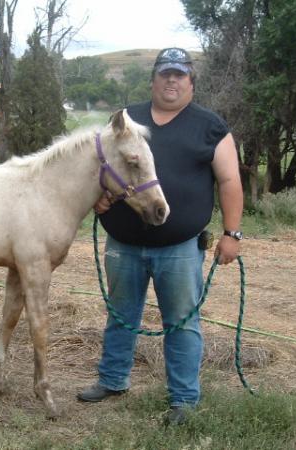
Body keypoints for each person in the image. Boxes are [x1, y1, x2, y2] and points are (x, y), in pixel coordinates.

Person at [77, 47, 244, 425]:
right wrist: (100, 198)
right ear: (153, 79)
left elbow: (230, 180)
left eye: (180, 75)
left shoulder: (211, 126)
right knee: (120, 316)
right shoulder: (125, 119)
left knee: (182, 322)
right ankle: (113, 379)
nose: (172, 81)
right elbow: (102, 168)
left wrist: (232, 233)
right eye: (165, 74)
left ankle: (183, 399)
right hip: (123, 242)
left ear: (191, 82)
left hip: (180, 248)